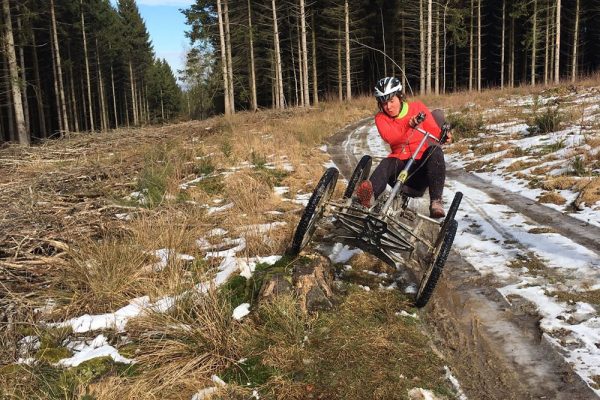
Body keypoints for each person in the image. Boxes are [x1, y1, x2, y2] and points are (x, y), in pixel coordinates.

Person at [355, 76, 452, 218]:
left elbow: (435, 132)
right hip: (398, 171)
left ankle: (436, 202)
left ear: (400, 97)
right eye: (384, 103)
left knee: (435, 151)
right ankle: (367, 198)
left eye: (391, 101)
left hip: (419, 172)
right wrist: (409, 125)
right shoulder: (381, 118)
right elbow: (391, 137)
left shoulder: (417, 108)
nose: (388, 107)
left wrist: (445, 136)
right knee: (387, 162)